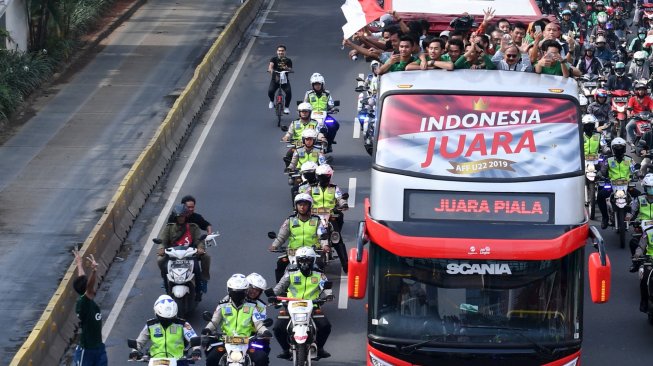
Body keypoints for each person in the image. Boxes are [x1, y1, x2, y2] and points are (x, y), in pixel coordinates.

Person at [270, 247, 332, 360]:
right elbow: (281, 285)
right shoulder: (291, 272)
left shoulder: (318, 273)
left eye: (307, 260)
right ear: (297, 261)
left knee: (325, 326)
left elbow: (325, 286)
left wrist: (328, 295)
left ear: (312, 261)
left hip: (313, 305)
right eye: (301, 260)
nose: (304, 263)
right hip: (291, 305)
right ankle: (285, 350)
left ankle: (321, 348)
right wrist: (273, 295)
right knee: (278, 328)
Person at [202, 274, 271, 366]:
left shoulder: (252, 306)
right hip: (225, 339)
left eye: (240, 292)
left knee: (262, 358)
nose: (237, 295)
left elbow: (258, 323)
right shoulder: (223, 304)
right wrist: (208, 329)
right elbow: (214, 321)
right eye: (234, 292)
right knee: (211, 358)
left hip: (248, 341)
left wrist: (265, 331)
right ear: (229, 291)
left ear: (245, 291)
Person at [298, 164, 349, 272]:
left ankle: (346, 264)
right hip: (314, 215)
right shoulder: (311, 188)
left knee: (337, 238)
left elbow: (340, 197)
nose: (323, 179)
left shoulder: (334, 188)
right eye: (320, 176)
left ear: (329, 176)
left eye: (325, 176)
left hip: (331, 215)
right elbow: (305, 197)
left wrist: (343, 204)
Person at [269, 193, 327, 281]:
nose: (302, 207)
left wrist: (325, 245)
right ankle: (280, 289)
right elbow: (282, 236)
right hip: (293, 251)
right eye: (300, 205)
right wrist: (274, 245)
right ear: (296, 206)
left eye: (305, 205)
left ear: (309, 206)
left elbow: (322, 235)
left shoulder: (316, 220)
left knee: (319, 266)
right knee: (280, 264)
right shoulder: (290, 220)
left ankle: (319, 287)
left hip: (312, 251)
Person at [157, 204, 208, 300]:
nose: (181, 219)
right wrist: (161, 248)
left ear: (186, 217)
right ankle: (165, 283)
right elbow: (163, 241)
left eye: (183, 217)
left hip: (189, 254)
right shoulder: (169, 228)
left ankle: (198, 289)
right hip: (173, 255)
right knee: (161, 261)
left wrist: (200, 248)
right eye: (179, 217)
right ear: (175, 217)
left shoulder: (193, 227)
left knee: (196, 268)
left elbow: (199, 240)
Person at [129, 295, 201, 361]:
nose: (166, 322)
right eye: (163, 319)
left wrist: (196, 350)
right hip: (155, 361)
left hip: (179, 361)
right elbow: (139, 342)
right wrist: (135, 352)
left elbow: (193, 338)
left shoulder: (182, 324)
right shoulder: (150, 325)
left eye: (170, 319)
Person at [72, 249, 107, 366]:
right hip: (86, 352)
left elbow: (83, 279)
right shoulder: (84, 304)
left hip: (99, 348)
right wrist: (94, 271)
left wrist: (79, 264)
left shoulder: (86, 298)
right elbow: (89, 285)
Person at [597, 138, 634, 229]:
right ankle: (605, 218)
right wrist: (600, 173)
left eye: (621, 148)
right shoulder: (609, 160)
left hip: (627, 184)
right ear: (613, 149)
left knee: (639, 195)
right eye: (616, 148)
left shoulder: (629, 159)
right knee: (600, 196)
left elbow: (635, 169)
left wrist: (638, 173)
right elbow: (603, 170)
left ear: (624, 148)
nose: (619, 150)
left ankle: (635, 217)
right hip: (612, 185)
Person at [629, 174, 653, 312]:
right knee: (644, 279)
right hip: (650, 258)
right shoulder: (639, 199)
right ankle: (644, 301)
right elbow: (641, 245)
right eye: (650, 188)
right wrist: (638, 255)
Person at [303, 73, 339, 151]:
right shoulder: (308, 94)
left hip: (325, 116)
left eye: (319, 84)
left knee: (334, 125)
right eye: (315, 84)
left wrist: (333, 109)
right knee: (301, 126)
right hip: (311, 116)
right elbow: (305, 104)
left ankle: (329, 144)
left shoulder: (327, 93)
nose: (317, 86)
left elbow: (331, 104)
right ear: (312, 85)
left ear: (322, 84)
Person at [281, 102, 321, 167]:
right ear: (299, 113)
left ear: (309, 112)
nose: (304, 113)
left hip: (312, 145)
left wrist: (322, 138)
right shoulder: (294, 123)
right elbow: (289, 133)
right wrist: (286, 137)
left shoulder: (315, 123)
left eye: (306, 112)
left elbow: (319, 133)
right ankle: (291, 173)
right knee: (288, 156)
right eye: (302, 112)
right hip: (297, 145)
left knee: (321, 156)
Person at [267, 45, 292, 114]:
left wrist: (286, 68)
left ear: (285, 52)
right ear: (277, 52)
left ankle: (286, 107)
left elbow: (290, 69)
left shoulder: (288, 60)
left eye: (282, 51)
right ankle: (272, 101)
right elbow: (271, 66)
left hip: (284, 80)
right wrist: (271, 71)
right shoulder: (273, 59)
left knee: (289, 93)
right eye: (279, 51)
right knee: (270, 91)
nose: (281, 52)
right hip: (275, 79)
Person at [626, 81, 653, 146]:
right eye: (639, 90)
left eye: (642, 90)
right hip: (636, 118)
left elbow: (652, 108)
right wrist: (629, 114)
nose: (641, 92)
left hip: (647, 118)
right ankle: (633, 141)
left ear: (645, 91)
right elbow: (629, 109)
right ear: (636, 91)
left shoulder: (649, 99)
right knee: (628, 127)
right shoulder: (632, 99)